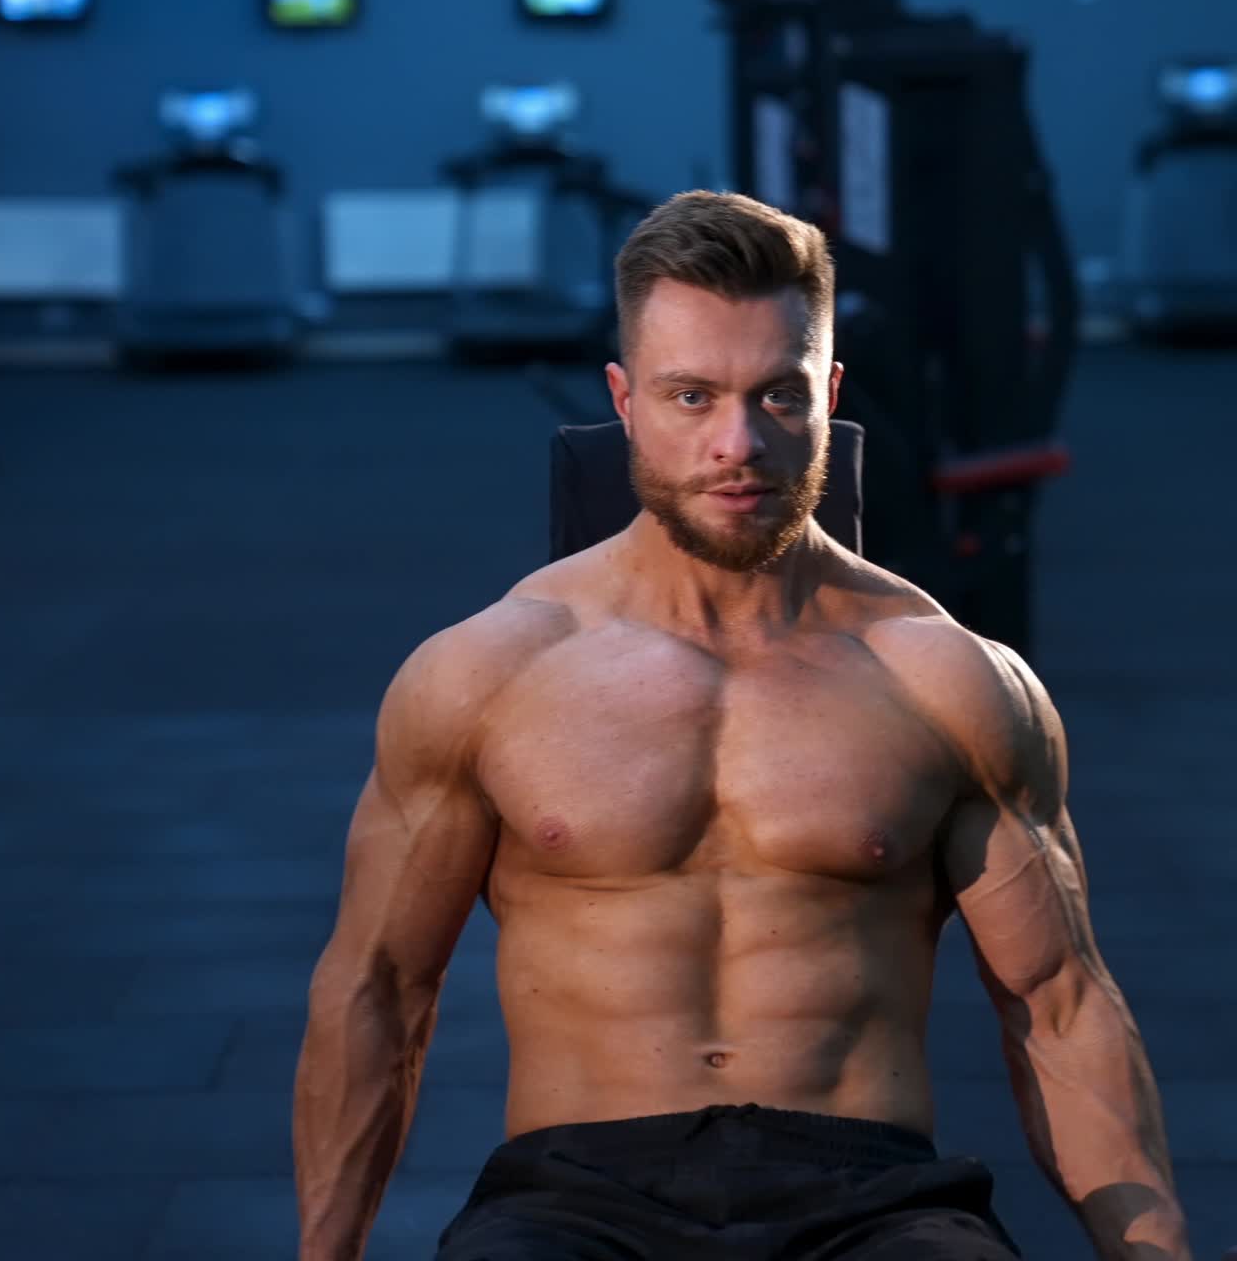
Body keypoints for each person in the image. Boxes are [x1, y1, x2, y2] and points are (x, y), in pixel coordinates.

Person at [294, 191, 1196, 1260]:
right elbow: (379, 987)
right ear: (624, 402)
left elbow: (1058, 1005)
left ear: (829, 394)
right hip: (572, 1192)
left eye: (778, 395)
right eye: (691, 397)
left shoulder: (945, 678)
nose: (738, 443)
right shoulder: (490, 671)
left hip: (871, 1195)